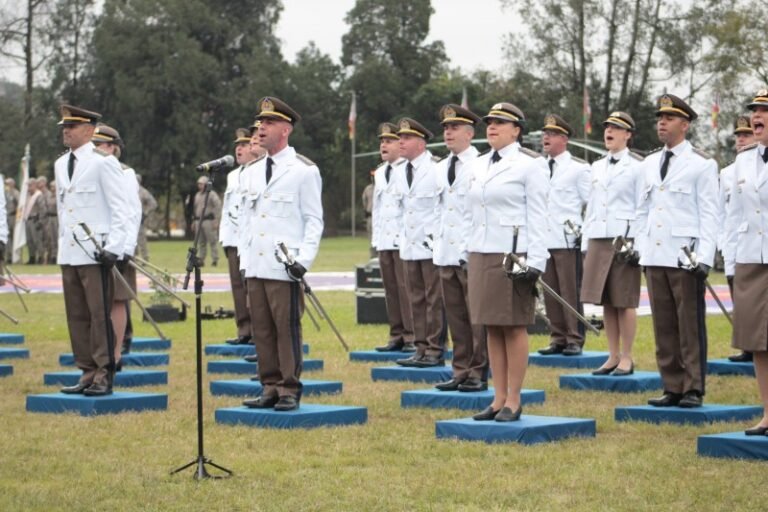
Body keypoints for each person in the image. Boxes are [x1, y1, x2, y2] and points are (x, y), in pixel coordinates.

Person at [465, 102, 549, 422]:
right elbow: (469, 212)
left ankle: (514, 398)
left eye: (501, 122)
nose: (492, 126)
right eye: (490, 122)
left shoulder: (530, 164)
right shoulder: (478, 163)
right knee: (491, 325)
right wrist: (466, 251)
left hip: (513, 255)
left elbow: (540, 215)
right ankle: (497, 397)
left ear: (517, 130)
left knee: (513, 326)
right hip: (481, 251)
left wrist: (536, 261)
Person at [238, 96, 323, 412]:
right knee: (261, 328)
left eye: (269, 122)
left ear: (285, 129)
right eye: (260, 122)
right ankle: (269, 385)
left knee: (286, 328)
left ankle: (289, 388)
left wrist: (303, 260)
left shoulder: (303, 170)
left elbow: (314, 220)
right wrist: (245, 261)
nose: (261, 128)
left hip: (283, 265)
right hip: (256, 263)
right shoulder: (252, 170)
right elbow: (248, 220)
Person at [636, 94, 719, 408]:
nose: (662, 123)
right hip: (656, 254)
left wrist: (705, 256)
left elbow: (710, 214)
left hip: (685, 256)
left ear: (684, 125)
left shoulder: (701, 164)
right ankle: (671, 384)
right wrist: (642, 248)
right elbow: (642, 210)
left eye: (668, 118)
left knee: (689, 323)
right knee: (664, 323)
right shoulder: (648, 163)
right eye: (660, 118)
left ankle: (693, 386)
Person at [54, 104, 132, 396]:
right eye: (64, 127)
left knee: (99, 315)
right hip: (70, 251)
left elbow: (119, 207)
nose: (66, 131)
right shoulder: (61, 164)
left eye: (71, 127)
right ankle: (86, 371)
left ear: (88, 130)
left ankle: (103, 374)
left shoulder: (103, 162)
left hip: (95, 251)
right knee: (76, 315)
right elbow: (65, 208)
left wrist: (114, 247)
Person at [581, 111, 644, 376]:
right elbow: (592, 206)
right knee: (605, 299)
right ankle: (612, 355)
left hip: (623, 238)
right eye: (608, 127)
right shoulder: (596, 166)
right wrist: (586, 242)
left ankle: (627, 357)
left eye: (616, 128)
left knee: (624, 300)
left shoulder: (639, 167)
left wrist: (638, 244)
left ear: (628, 134)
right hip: (599, 235)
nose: (609, 132)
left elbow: (643, 207)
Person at [431, 104, 488, 392]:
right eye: (445, 128)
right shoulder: (439, 168)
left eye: (454, 128)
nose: (448, 132)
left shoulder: (481, 165)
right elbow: (438, 209)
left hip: (471, 250)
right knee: (455, 315)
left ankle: (478, 370)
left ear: (469, 132)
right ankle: (461, 368)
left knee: (476, 315)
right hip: (446, 252)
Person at [723, 89, 768, 435]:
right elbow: (736, 215)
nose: (757, 116)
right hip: (752, 259)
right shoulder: (742, 161)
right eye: (754, 110)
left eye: (764, 110)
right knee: (757, 342)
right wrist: (732, 262)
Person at [393, 117, 446, 368]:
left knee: (434, 298)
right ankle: (420, 346)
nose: (400, 142)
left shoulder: (436, 168)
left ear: (421, 143)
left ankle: (435, 348)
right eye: (400, 138)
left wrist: (436, 238)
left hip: (431, 245)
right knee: (415, 297)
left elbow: (442, 207)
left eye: (406, 138)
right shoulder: (399, 170)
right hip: (409, 244)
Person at [537, 114, 591, 356]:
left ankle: (574, 337)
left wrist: (584, 233)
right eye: (544, 134)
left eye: (551, 134)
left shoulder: (579, 169)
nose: (545, 138)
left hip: (568, 239)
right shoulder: (538, 167)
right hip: (544, 239)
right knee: (550, 291)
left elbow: (593, 204)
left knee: (570, 290)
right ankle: (557, 336)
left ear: (564, 138)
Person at [91, 123, 142, 367]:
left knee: (117, 300)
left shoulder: (124, 173)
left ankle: (116, 353)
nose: (95, 149)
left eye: (99, 145)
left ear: (112, 148)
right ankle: (99, 353)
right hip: (94, 246)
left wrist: (125, 248)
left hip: (118, 246)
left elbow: (131, 212)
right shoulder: (89, 170)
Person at [371, 122, 415, 353]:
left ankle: (411, 335)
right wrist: (376, 240)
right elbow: (378, 208)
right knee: (390, 289)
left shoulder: (408, 170)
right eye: (382, 141)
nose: (383, 145)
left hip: (403, 240)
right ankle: (396, 334)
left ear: (401, 144)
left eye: (389, 141)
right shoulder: (380, 172)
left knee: (405, 287)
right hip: (385, 240)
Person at [220, 127, 260, 347]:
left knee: (251, 286)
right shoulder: (232, 175)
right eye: (237, 146)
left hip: (250, 239)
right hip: (233, 238)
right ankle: (243, 329)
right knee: (237, 285)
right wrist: (224, 237)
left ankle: (257, 331)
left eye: (243, 145)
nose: (239, 150)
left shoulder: (258, 171)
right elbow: (227, 208)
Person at [721, 115, 756, 363]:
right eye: (739, 135)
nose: (741, 139)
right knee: (741, 300)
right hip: (737, 242)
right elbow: (727, 212)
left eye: (746, 134)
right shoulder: (728, 172)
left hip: (758, 243)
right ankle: (747, 346)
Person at [192, 175, 222, 266]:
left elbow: (218, 205)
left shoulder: (211, 194)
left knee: (212, 241)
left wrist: (216, 219)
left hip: (208, 220)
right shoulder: (197, 195)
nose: (199, 186)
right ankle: (201, 259)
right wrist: (193, 221)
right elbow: (195, 209)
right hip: (198, 221)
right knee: (201, 241)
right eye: (199, 184)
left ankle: (215, 259)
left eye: (201, 184)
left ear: (206, 185)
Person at [136, 174, 157, 261]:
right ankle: (134, 257)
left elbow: (153, 203)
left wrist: (145, 213)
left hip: (140, 218)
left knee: (141, 239)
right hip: (131, 218)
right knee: (132, 239)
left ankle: (145, 258)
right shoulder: (129, 191)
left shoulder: (143, 192)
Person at [23, 179, 42, 264]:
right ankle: (32, 257)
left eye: (30, 185)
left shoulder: (38, 195)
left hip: (35, 220)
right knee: (29, 240)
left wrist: (40, 221)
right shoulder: (27, 196)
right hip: (28, 220)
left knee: (37, 240)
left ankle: (41, 257)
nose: (28, 188)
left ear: (34, 185)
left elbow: (42, 209)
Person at [5, 178, 19, 261]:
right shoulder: (4, 193)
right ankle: (9, 255)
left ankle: (15, 256)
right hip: (6, 217)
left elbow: (20, 205)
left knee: (14, 237)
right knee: (7, 237)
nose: (7, 185)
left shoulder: (16, 193)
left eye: (8, 183)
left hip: (13, 216)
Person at [362, 170, 375, 257]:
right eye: (372, 177)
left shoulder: (383, 187)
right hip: (370, 215)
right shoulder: (368, 189)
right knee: (371, 236)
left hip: (381, 217)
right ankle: (373, 255)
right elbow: (364, 201)